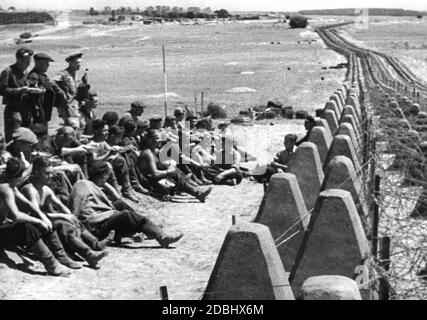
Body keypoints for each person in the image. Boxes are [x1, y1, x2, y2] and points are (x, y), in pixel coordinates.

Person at [21, 157, 113, 268]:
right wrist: (63, 216)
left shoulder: (46, 189)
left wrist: (70, 216)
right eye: (46, 173)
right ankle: (86, 254)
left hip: (44, 222)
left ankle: (95, 244)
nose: (50, 176)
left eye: (51, 173)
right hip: (29, 226)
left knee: (72, 220)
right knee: (63, 224)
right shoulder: (30, 189)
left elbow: (62, 207)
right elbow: (36, 214)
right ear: (36, 173)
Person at [69, 160, 183, 248]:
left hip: (103, 221)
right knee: (126, 214)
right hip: (95, 228)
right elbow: (75, 207)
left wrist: (105, 185)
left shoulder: (95, 185)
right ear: (103, 175)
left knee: (120, 204)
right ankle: (161, 237)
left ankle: (146, 227)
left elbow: (118, 198)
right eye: (106, 175)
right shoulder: (82, 184)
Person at [0, 158, 78, 276]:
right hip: (3, 230)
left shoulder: (11, 185)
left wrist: (42, 216)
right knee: (29, 228)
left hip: (6, 225)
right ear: (19, 175)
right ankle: (52, 265)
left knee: (42, 221)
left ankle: (60, 257)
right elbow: (16, 216)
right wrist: (38, 220)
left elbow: (27, 203)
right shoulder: (5, 188)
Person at [138, 130, 213, 201]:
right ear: (150, 140)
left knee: (175, 169)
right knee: (174, 173)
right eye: (157, 138)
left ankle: (196, 190)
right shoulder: (147, 153)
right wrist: (168, 171)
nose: (160, 140)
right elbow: (155, 174)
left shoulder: (155, 151)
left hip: (156, 178)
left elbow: (161, 163)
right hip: (150, 181)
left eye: (161, 138)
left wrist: (170, 163)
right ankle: (197, 192)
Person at [0, 47, 41, 142]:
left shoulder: (25, 72)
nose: (28, 63)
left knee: (26, 136)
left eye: (29, 61)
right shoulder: (8, 71)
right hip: (13, 110)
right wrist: (18, 90)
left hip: (26, 109)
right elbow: (1, 90)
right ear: (18, 59)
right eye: (26, 60)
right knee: (15, 136)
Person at [54, 53, 83, 126]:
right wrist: (62, 94)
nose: (79, 65)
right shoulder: (64, 74)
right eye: (77, 63)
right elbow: (53, 82)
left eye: (80, 63)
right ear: (70, 63)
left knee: (77, 125)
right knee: (72, 125)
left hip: (74, 104)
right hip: (67, 106)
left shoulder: (75, 74)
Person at [28, 52, 56, 126]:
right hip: (37, 113)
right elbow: (33, 97)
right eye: (46, 63)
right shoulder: (34, 76)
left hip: (43, 111)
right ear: (39, 63)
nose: (48, 65)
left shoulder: (42, 75)